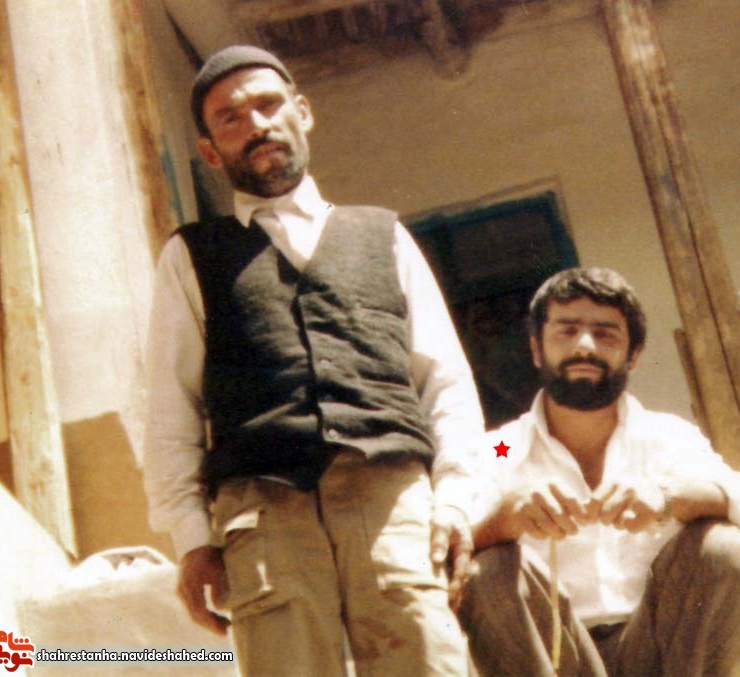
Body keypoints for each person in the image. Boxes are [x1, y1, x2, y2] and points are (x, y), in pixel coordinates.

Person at [142, 45, 484, 676]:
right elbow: (171, 409)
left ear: (302, 112)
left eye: (268, 105)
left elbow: (445, 381)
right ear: (210, 152)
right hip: (263, 510)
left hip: (391, 496)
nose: (256, 125)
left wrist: (457, 497)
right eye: (230, 118)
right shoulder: (190, 257)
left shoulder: (383, 235)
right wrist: (190, 538)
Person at [457, 267, 740, 676]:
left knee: (725, 548)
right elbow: (448, 546)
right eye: (567, 331)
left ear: (633, 355)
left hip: (661, 654)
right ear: (536, 349)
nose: (585, 346)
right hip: (554, 658)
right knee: (488, 570)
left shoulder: (668, 436)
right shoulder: (499, 450)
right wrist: (505, 518)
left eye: (605, 334)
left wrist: (667, 500)